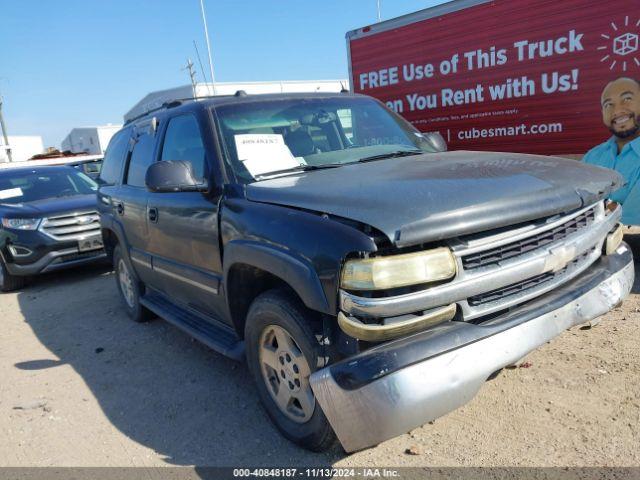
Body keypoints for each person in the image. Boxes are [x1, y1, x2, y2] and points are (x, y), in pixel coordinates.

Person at [584, 77, 640, 225]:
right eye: (608, 104)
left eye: (627, 98)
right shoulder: (592, 156)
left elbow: (630, 225)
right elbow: (570, 206)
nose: (617, 110)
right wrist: (612, 208)